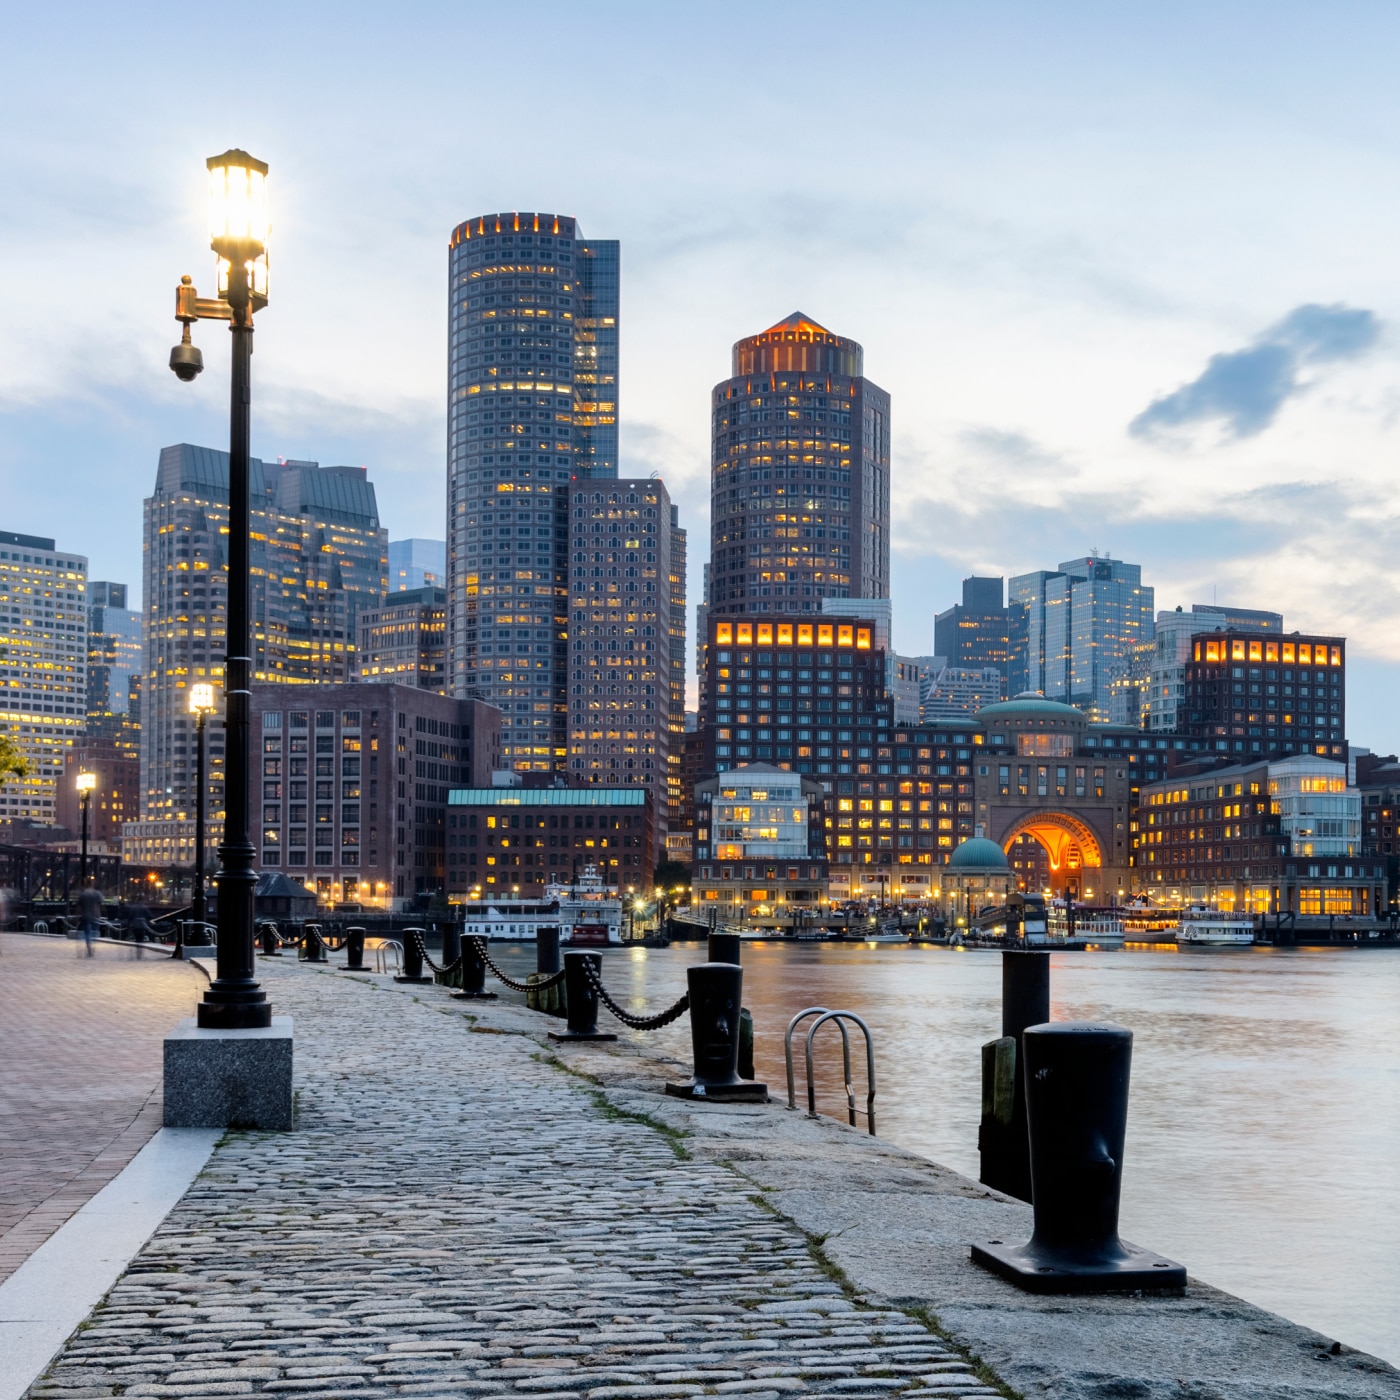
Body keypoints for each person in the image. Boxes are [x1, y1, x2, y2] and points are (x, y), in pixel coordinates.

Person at [77, 885, 103, 957]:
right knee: (94, 933)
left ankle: (89, 947)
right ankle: (92, 947)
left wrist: (78, 916)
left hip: (86, 916)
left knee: (87, 933)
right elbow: (100, 904)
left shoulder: (83, 894)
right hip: (95, 916)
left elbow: (79, 907)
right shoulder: (97, 893)